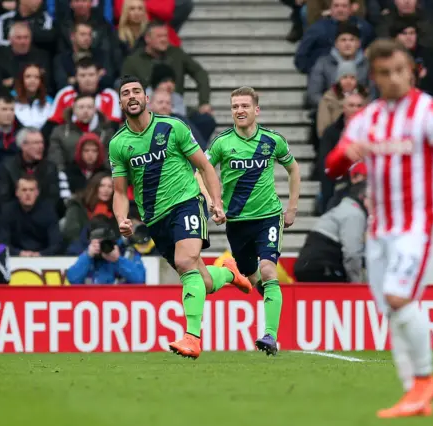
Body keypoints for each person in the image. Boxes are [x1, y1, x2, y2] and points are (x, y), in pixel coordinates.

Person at [325, 39, 433, 418]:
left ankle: (424, 379)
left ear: (412, 70)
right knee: (392, 312)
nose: (394, 78)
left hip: (418, 226)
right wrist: (345, 155)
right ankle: (413, 396)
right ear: (374, 76)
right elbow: (332, 166)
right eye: (385, 73)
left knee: (398, 299)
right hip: (380, 229)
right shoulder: (366, 118)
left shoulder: (431, 113)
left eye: (400, 70)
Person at [109, 75, 252, 360]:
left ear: (147, 98)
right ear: (121, 102)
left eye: (137, 91)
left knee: (186, 262)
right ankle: (228, 271)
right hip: (155, 219)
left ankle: (192, 337)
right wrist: (122, 218)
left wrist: (215, 201)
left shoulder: (172, 127)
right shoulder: (118, 143)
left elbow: (205, 166)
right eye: (126, 93)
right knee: (205, 283)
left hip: (186, 203)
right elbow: (119, 191)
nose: (132, 96)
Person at [205, 86, 301, 356]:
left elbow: (293, 169)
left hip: (268, 217)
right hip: (236, 223)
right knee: (255, 277)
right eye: (235, 106)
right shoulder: (222, 143)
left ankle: (270, 335)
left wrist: (292, 208)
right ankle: (249, 283)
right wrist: (215, 202)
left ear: (256, 110)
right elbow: (201, 170)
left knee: (269, 270)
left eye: (245, 106)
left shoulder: (272, 141)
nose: (239, 111)